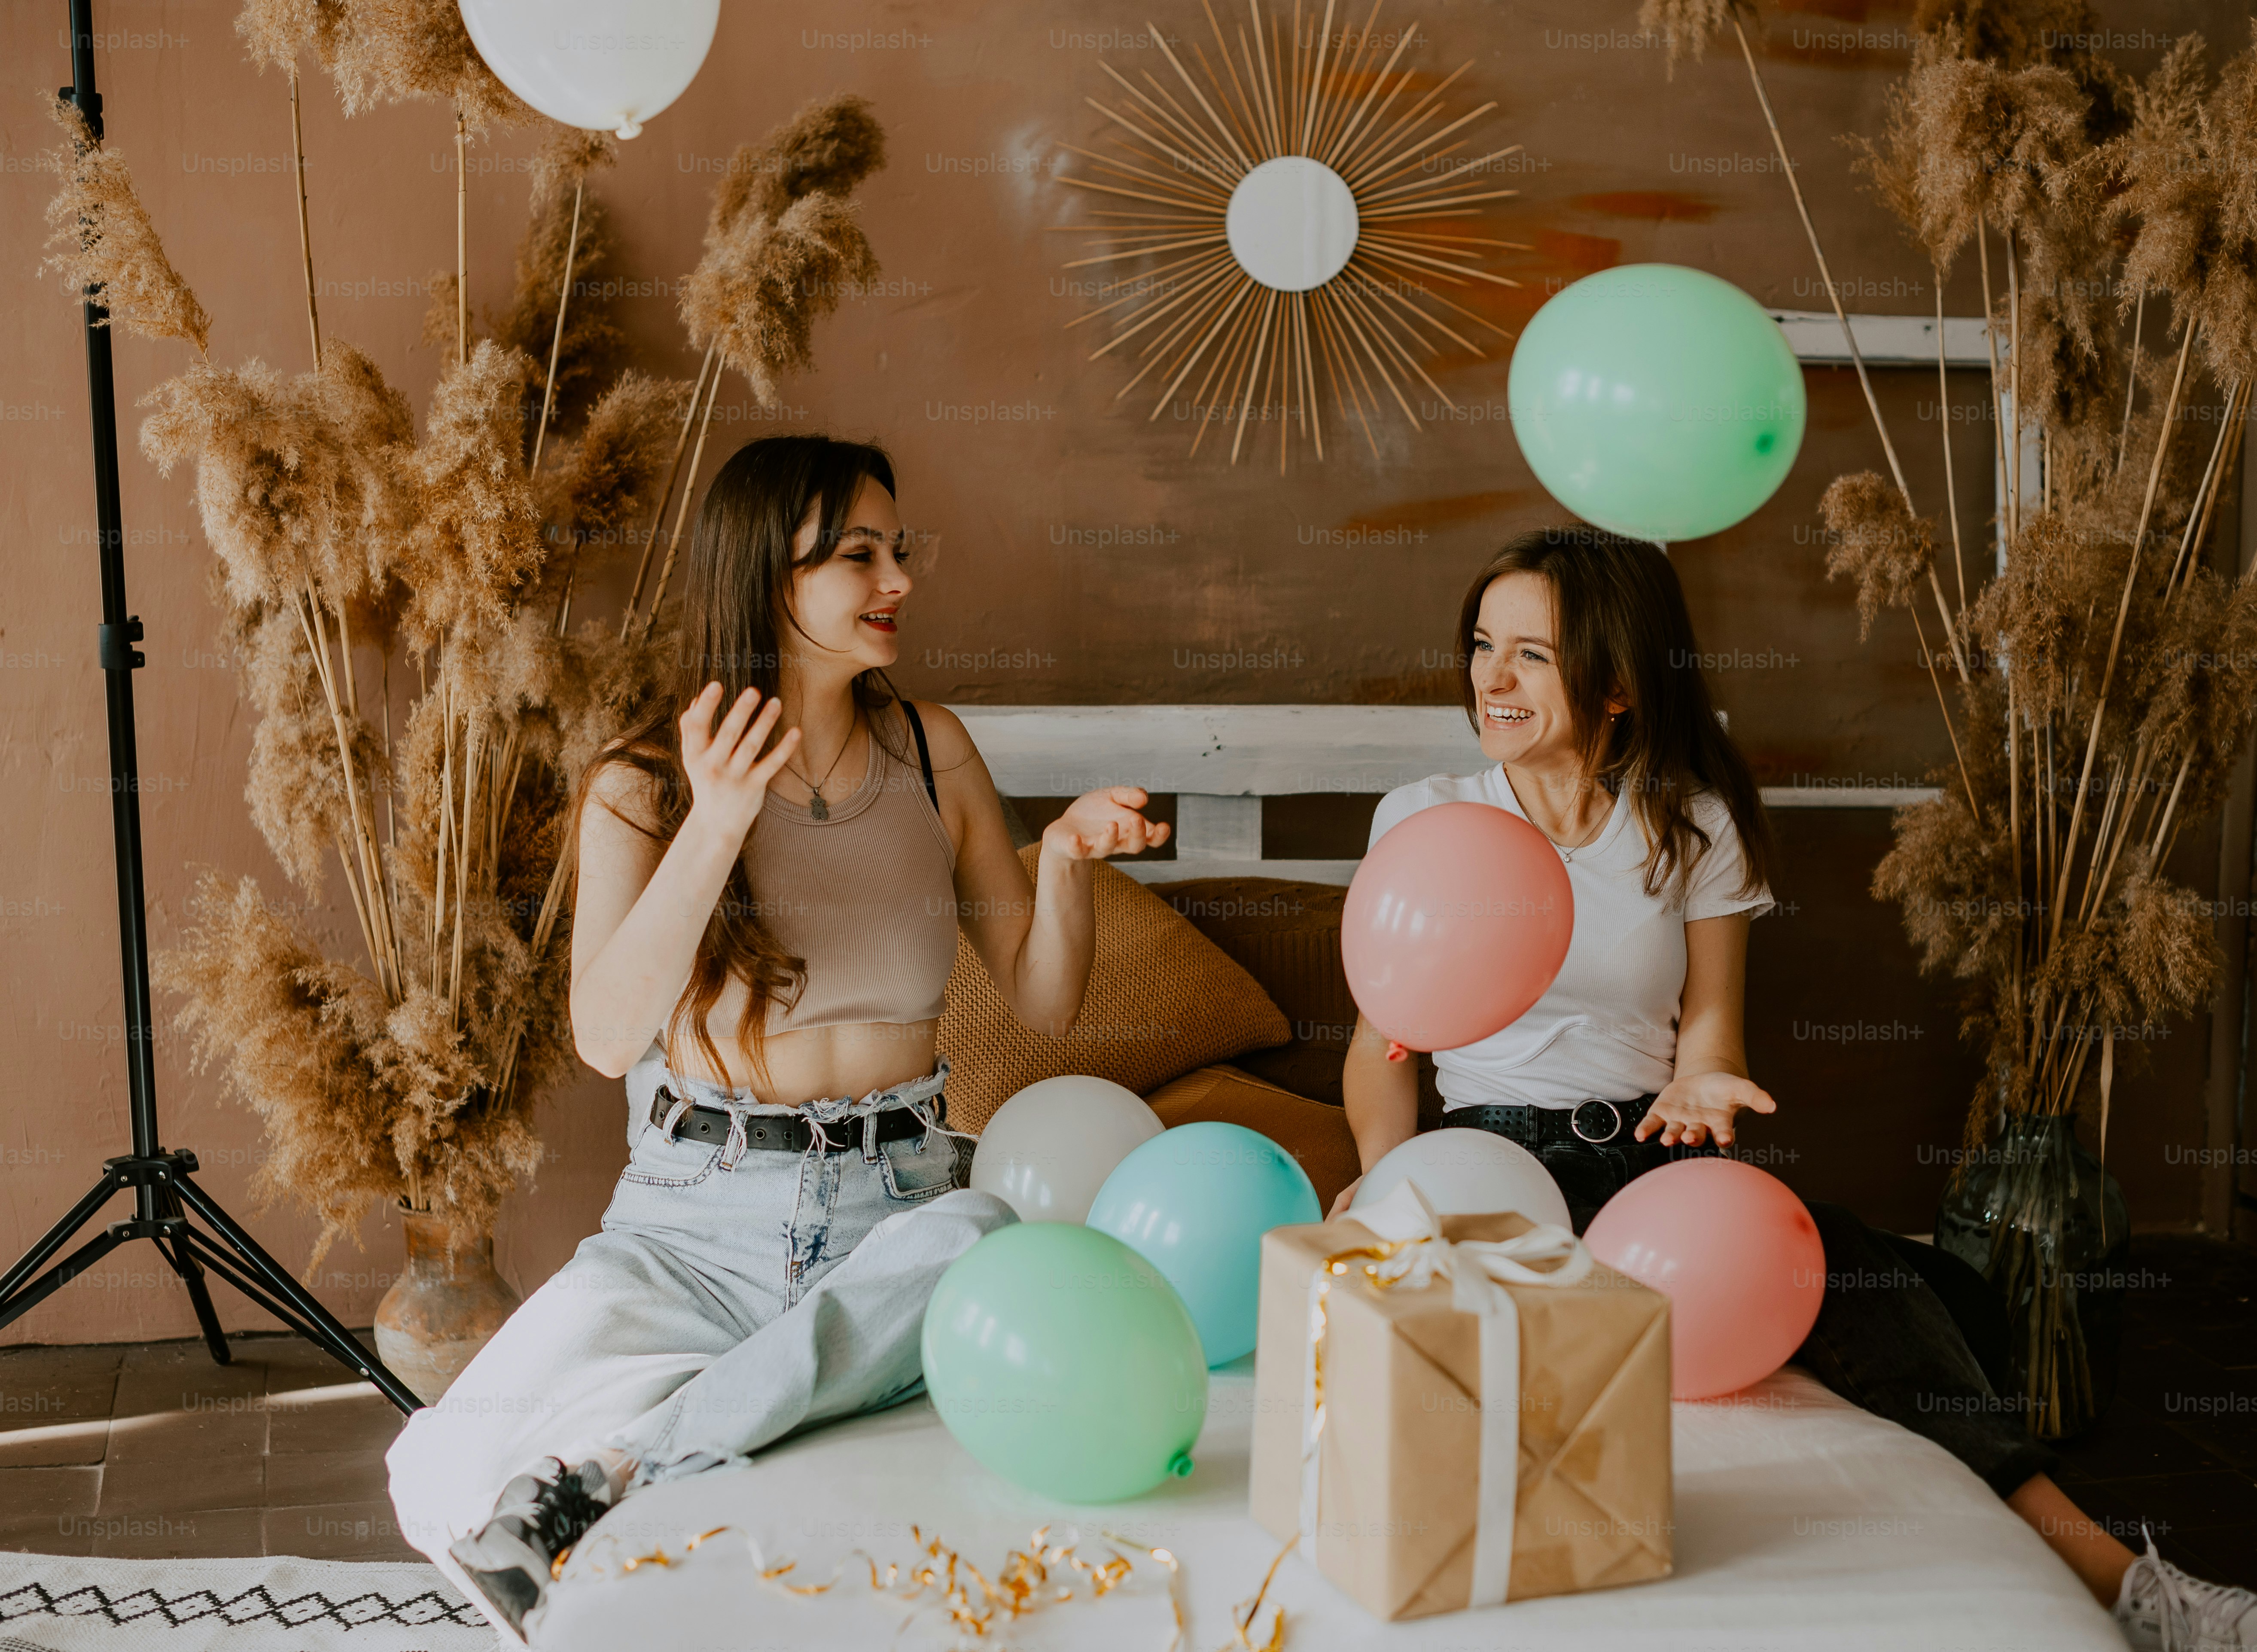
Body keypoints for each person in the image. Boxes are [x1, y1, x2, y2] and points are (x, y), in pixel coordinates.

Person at [1332, 524, 2257, 1652]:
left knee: (1865, 1275)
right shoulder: (1425, 816)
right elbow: (1385, 1039)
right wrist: (1383, 1180)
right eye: (1486, 645)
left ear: (1619, 683)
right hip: (1491, 1152)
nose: (1493, 676)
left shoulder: (1691, 824)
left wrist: (1709, 1084)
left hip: (1657, 1150)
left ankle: (2129, 1588)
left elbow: (1712, 1030)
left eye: (1534, 653)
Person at [385, 435, 1168, 1641]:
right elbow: (605, 1037)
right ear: (767, 579)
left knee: (985, 1232)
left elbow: (1048, 1001)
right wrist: (721, 818)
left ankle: (617, 1478)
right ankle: (658, 1464)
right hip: (692, 1226)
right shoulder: (642, 783)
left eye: (897, 551)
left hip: (895, 1211)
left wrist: (1058, 856)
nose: (897, 579)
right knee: (435, 1469)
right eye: (858, 555)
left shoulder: (933, 751)